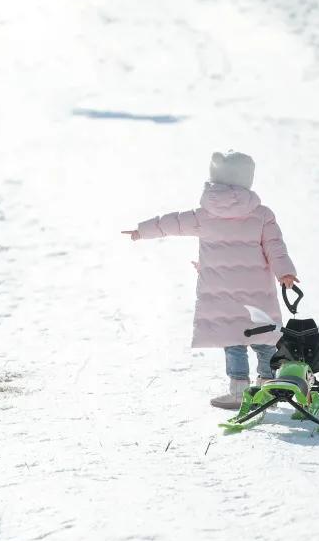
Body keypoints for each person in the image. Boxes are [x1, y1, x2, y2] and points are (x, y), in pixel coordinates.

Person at [124, 151, 298, 409]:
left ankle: (239, 392)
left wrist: (142, 230)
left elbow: (171, 223)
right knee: (264, 338)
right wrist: (285, 273)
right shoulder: (262, 214)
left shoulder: (203, 215)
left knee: (233, 340)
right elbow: (276, 247)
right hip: (257, 291)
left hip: (221, 292)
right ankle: (268, 388)